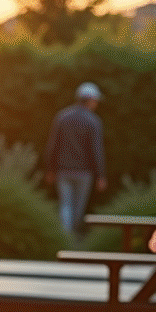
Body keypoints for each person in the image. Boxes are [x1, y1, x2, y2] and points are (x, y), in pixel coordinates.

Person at [43, 82, 107, 235]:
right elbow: (96, 151)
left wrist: (50, 169)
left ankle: (65, 237)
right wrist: (101, 175)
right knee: (78, 209)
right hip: (84, 173)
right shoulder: (93, 121)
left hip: (63, 170)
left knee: (65, 206)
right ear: (90, 100)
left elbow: (53, 145)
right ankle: (72, 239)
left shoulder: (62, 117)